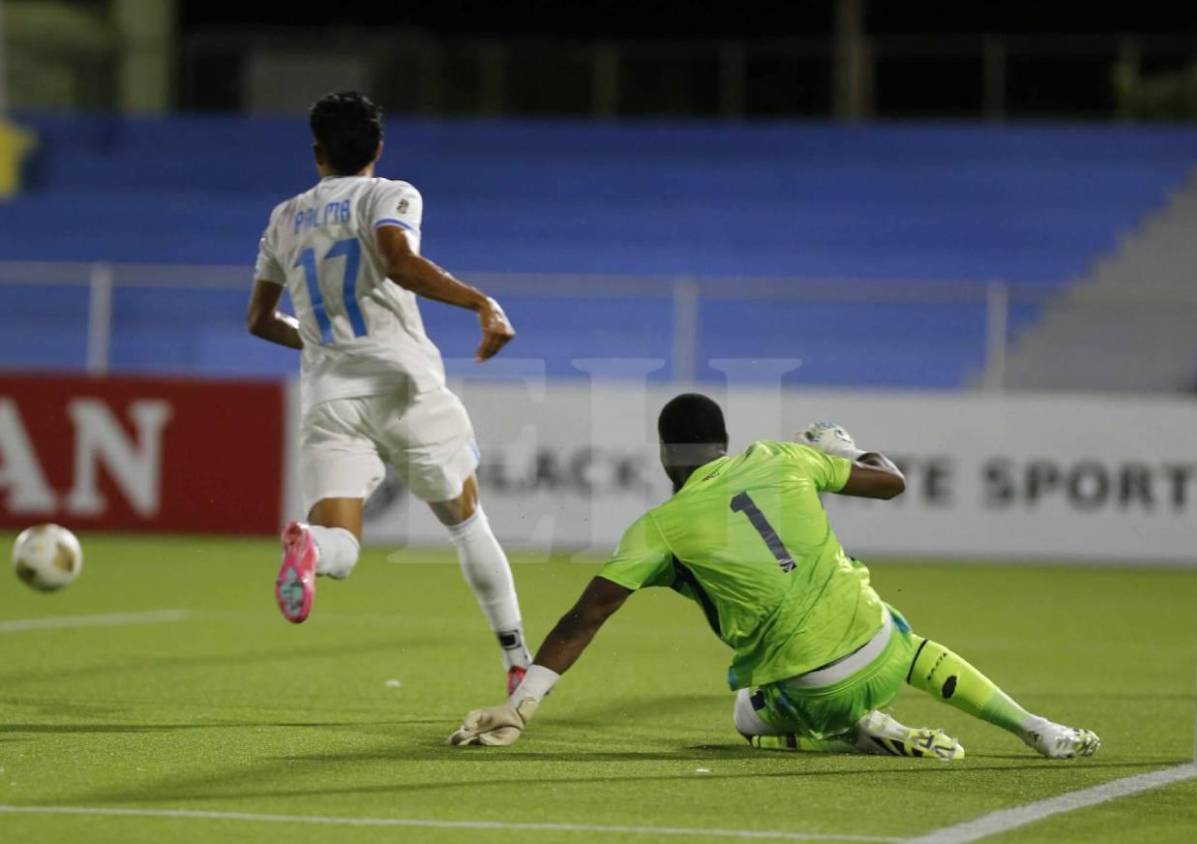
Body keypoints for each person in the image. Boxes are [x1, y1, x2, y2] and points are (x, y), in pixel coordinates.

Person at [448, 393, 1100, 758]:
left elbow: (585, 617)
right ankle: (1036, 728)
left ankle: (857, 732)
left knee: (746, 713)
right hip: (882, 651)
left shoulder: (659, 528)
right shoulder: (783, 458)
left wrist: (522, 705)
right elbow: (892, 483)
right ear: (725, 442)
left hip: (809, 690)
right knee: (903, 637)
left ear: (665, 454)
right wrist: (844, 449)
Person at [246, 90, 531, 692]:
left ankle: (311, 549)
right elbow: (399, 261)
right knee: (466, 523)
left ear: (317, 153)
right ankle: (516, 659)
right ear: (378, 147)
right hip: (404, 387)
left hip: (329, 397)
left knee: (343, 546)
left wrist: (322, 345)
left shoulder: (283, 218)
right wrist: (481, 302)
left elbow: (260, 321)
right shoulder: (387, 194)